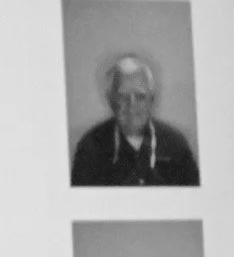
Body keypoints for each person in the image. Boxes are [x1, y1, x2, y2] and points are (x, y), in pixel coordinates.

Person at [70, 54, 199, 186]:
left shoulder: (176, 146)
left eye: (140, 96)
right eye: (122, 97)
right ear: (111, 101)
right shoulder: (90, 148)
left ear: (152, 100)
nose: (132, 105)